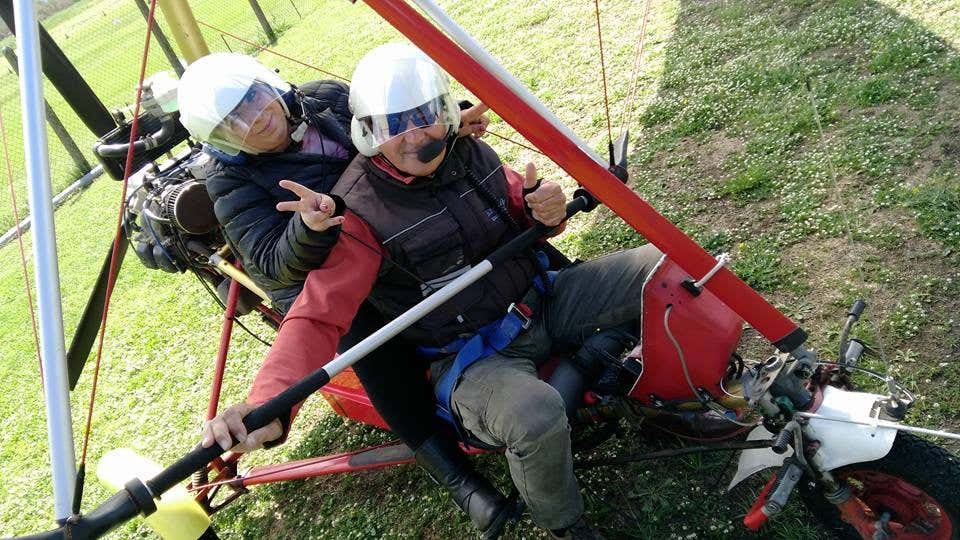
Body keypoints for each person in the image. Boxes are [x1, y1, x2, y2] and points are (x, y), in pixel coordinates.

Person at [202, 43, 663, 539]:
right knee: (533, 415)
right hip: (472, 353)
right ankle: (564, 525)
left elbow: (515, 207)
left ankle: (681, 397)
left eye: (424, 117)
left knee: (661, 270)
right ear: (369, 132)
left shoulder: (467, 151)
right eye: (394, 125)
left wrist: (540, 209)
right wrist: (268, 406)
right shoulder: (355, 213)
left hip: (539, 299)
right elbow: (317, 315)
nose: (414, 136)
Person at [177, 52, 488, 313]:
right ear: (221, 139)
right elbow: (272, 263)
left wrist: (446, 122)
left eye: (251, 97)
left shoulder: (326, 96)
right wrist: (307, 227)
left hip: (393, 221)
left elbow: (385, 123)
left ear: (267, 85)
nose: (254, 117)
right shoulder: (229, 181)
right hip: (326, 272)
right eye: (233, 120)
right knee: (381, 345)